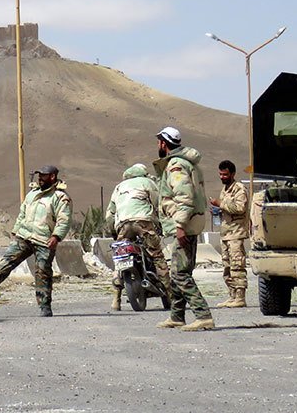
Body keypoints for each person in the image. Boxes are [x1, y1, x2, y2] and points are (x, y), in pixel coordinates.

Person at [0, 165, 73, 317]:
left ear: (52, 177)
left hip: (44, 239)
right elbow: (23, 213)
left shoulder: (60, 197)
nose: (39, 178)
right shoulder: (32, 194)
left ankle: (44, 305)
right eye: (39, 175)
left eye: (43, 176)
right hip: (25, 236)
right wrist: (16, 228)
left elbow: (64, 220)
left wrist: (56, 236)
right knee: (7, 260)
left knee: (42, 271)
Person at [153, 127, 214, 331]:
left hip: (184, 225)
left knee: (180, 274)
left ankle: (203, 315)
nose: (158, 146)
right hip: (190, 222)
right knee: (177, 271)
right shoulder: (189, 164)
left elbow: (184, 197)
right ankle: (177, 316)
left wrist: (179, 226)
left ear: (164, 143)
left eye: (159, 142)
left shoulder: (176, 166)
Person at [106, 163, 169, 311]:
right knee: (157, 256)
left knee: (120, 259)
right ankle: (170, 294)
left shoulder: (118, 187)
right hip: (143, 222)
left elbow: (110, 214)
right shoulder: (147, 182)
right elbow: (158, 203)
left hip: (122, 225)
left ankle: (116, 300)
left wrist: (114, 233)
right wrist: (162, 224)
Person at [210, 160, 250, 308]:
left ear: (232, 174)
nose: (222, 177)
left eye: (225, 174)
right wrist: (218, 210)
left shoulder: (239, 189)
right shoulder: (225, 189)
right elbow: (228, 208)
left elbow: (240, 208)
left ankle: (240, 297)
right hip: (226, 233)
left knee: (237, 265)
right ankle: (232, 295)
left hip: (236, 233)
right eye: (220, 174)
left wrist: (220, 204)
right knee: (227, 265)